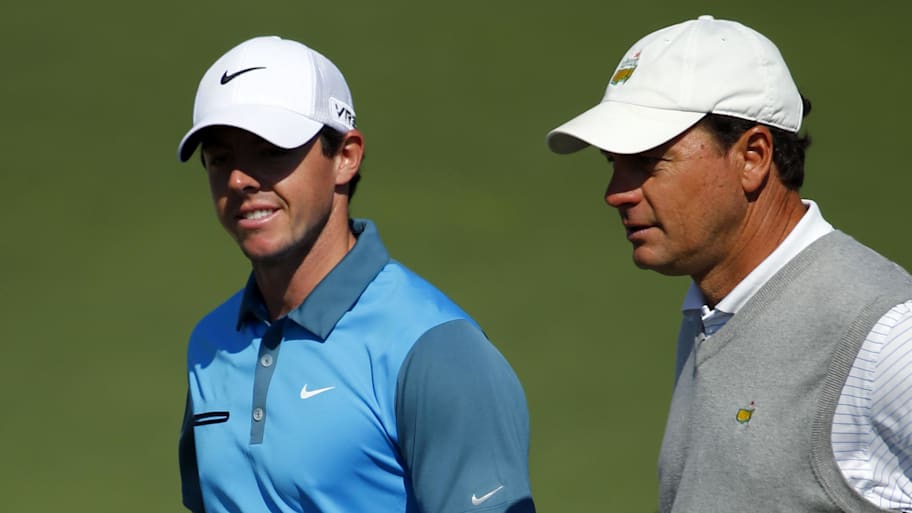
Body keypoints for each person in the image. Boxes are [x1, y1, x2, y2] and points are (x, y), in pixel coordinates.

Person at [545, 15, 912, 513]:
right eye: (614, 164)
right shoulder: (712, 313)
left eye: (648, 161)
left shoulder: (888, 334)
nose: (616, 193)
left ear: (753, 156)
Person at [176, 35, 535, 513]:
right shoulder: (212, 343)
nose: (239, 179)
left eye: (270, 150)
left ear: (346, 156)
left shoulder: (435, 350)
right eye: (221, 159)